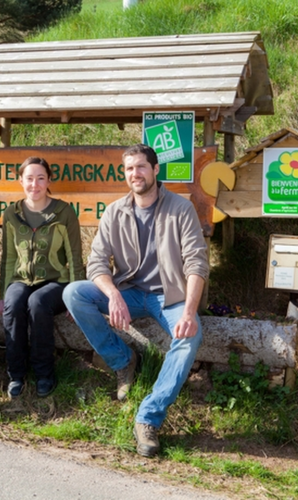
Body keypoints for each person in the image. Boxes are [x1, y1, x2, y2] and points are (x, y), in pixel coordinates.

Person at [63, 143, 209, 458]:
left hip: (169, 297)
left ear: (155, 170)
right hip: (129, 292)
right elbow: (96, 264)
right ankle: (123, 361)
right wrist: (113, 294)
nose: (135, 174)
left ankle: (148, 417)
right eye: (129, 168)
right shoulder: (115, 211)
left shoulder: (180, 209)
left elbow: (197, 264)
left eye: (141, 167)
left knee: (191, 334)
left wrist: (188, 311)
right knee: (73, 293)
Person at [0, 157, 85, 399]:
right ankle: (16, 374)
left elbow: (75, 256)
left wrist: (76, 297)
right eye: (29, 178)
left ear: (48, 181)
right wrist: (3, 294)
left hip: (56, 281)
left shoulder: (63, 212)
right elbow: (9, 257)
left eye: (41, 178)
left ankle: (44, 374)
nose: (34, 184)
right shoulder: (11, 214)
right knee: (14, 305)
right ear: (21, 181)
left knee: (37, 303)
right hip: (21, 279)